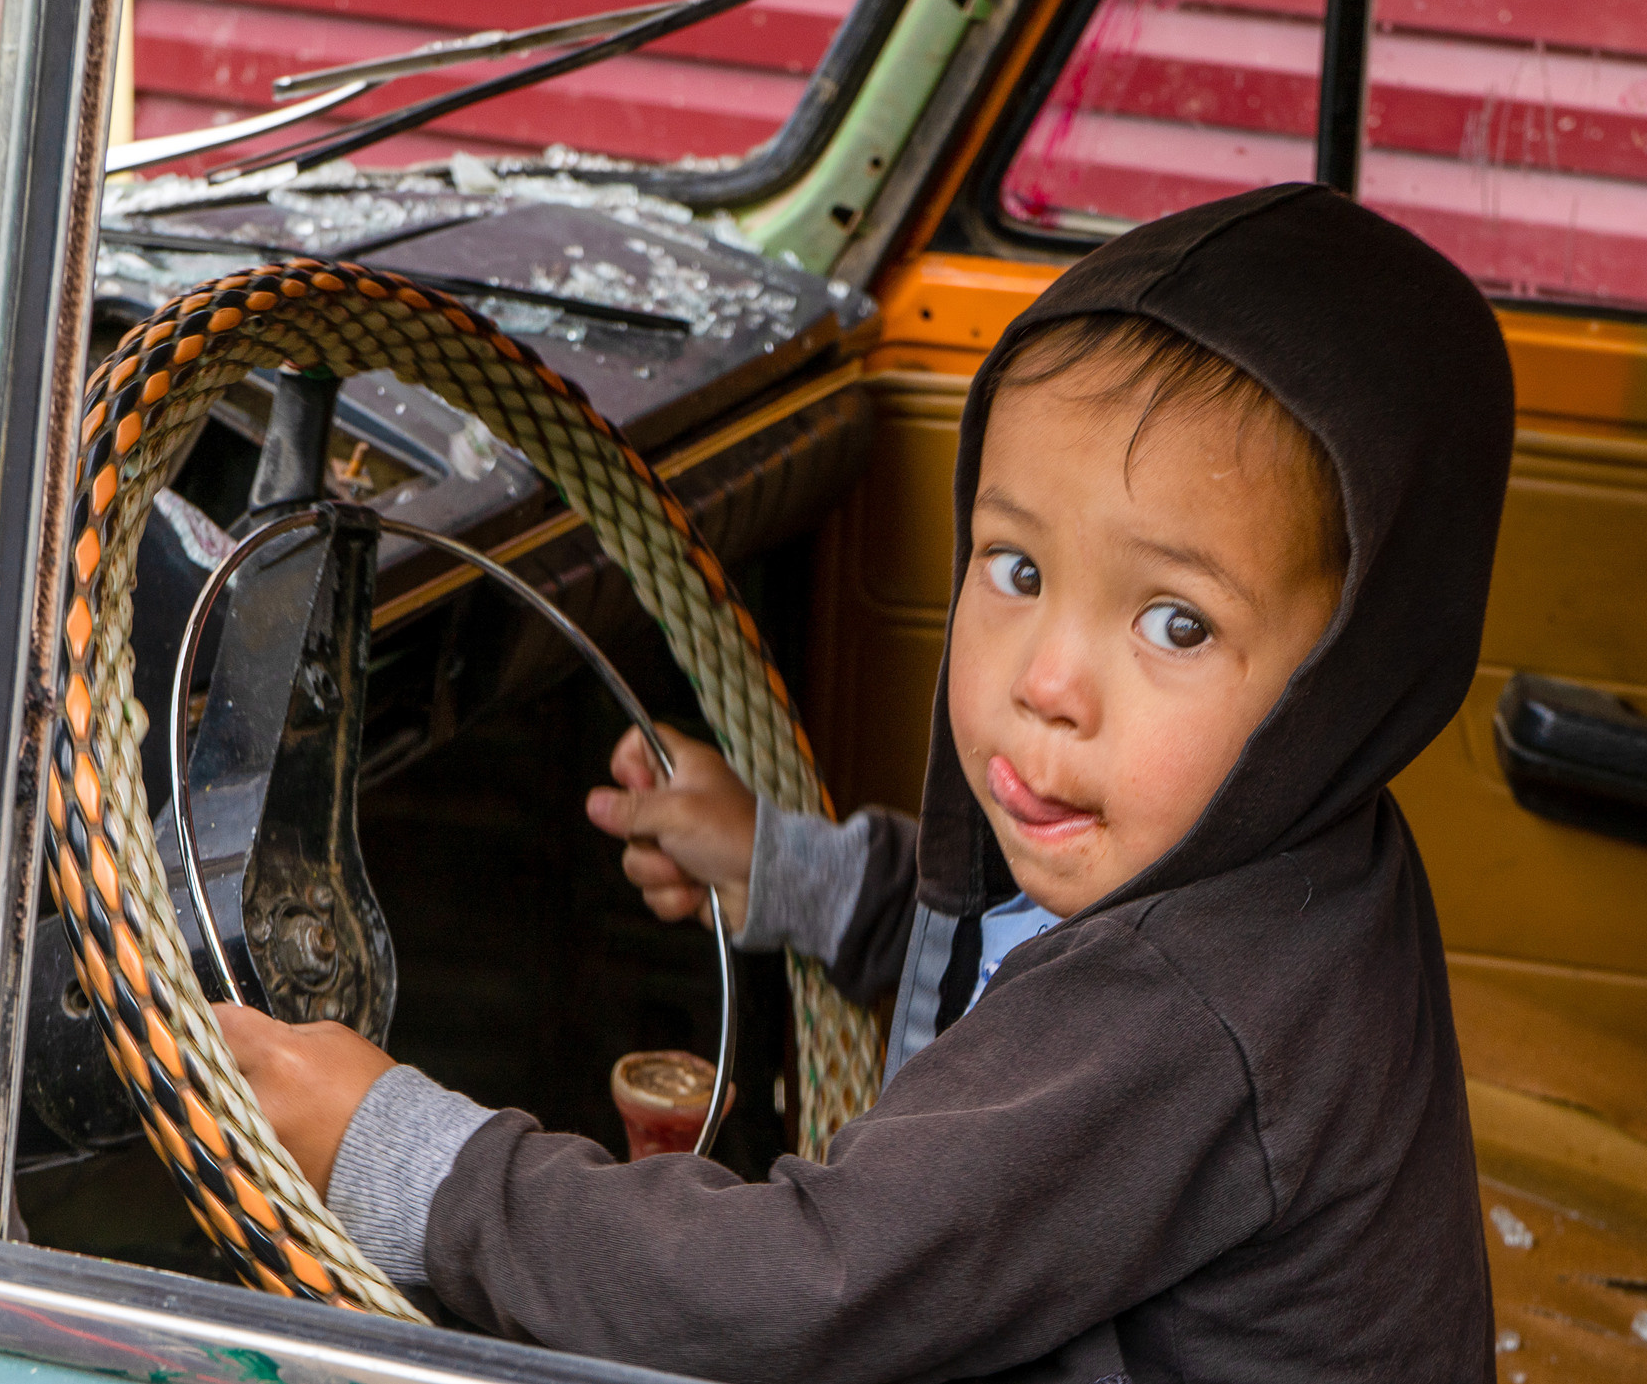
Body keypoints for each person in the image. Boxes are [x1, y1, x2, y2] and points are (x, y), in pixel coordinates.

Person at [219, 182, 1518, 1381]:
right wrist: (789, 870)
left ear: (1348, 673)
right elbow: (1012, 957)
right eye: (1015, 568)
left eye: (1175, 623)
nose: (1047, 679)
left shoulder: (1189, 1007)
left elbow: (802, 1288)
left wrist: (418, 1164)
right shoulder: (1291, 854)